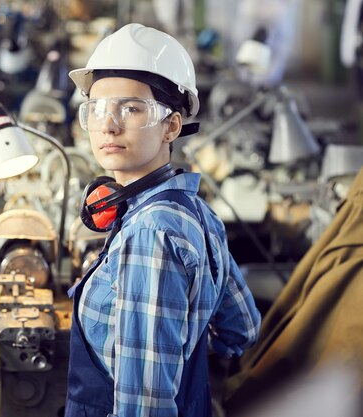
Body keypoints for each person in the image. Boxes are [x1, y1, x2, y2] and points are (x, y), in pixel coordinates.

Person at [65, 23, 261, 417]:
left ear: (172, 125)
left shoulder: (150, 235)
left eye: (132, 108)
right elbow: (242, 327)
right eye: (98, 108)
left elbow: (145, 408)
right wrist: (180, 347)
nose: (109, 124)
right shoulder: (195, 211)